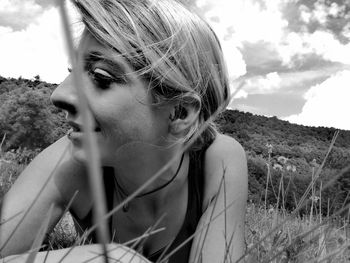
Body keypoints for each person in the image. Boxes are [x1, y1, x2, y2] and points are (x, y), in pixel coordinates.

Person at [0, 0, 248, 262]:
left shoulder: (218, 159)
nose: (59, 94)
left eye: (101, 78)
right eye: (72, 72)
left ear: (180, 113)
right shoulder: (71, 159)